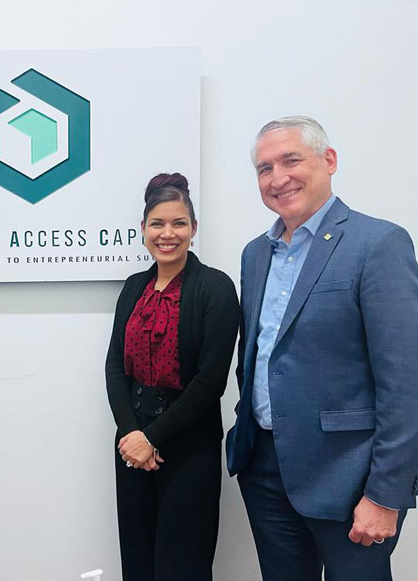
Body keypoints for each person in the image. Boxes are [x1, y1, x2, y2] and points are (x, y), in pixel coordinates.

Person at [226, 116, 418, 580]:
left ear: (328, 161)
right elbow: (258, 357)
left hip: (350, 478)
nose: (278, 178)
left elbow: (405, 379)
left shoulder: (378, 243)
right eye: (264, 168)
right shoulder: (256, 254)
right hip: (266, 468)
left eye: (291, 160)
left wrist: (386, 494)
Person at [105, 173, 239, 581]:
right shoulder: (133, 287)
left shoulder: (215, 288)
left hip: (188, 446)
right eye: (157, 223)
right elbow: (114, 367)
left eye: (179, 223)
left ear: (194, 229)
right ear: (143, 229)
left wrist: (153, 438)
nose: (168, 233)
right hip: (131, 445)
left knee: (184, 565)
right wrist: (132, 434)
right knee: (138, 561)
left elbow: (210, 381)